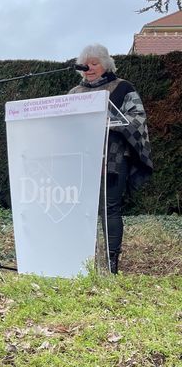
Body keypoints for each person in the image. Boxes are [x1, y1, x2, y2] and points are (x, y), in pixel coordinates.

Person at [69, 43, 153, 274]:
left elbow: (137, 118)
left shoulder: (123, 88)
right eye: (86, 64)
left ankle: (111, 261)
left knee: (110, 208)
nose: (90, 67)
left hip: (113, 158)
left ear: (106, 65)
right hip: (81, 159)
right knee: (80, 207)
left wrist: (108, 123)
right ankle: (79, 257)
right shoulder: (74, 93)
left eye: (95, 63)